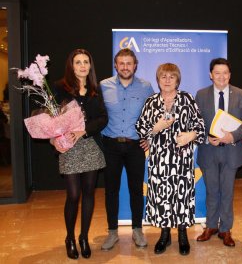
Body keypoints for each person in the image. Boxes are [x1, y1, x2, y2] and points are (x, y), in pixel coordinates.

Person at [136, 63, 205, 255]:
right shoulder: (151, 101)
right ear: (158, 80)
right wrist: (155, 128)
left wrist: (191, 135)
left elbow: (200, 126)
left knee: (181, 196)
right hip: (159, 160)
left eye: (171, 77)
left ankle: (182, 234)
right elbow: (140, 127)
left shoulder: (187, 99)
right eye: (163, 76)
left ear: (177, 80)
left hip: (182, 160)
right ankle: (164, 234)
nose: (167, 80)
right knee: (161, 197)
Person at [51, 49, 108, 259]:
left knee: (89, 194)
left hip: (90, 144)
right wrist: (54, 137)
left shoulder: (96, 89)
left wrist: (84, 129)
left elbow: (103, 118)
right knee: (74, 195)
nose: (83, 66)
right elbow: (51, 116)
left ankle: (84, 237)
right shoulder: (59, 88)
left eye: (86, 62)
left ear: (90, 66)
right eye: (78, 62)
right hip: (69, 147)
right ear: (71, 66)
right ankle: (70, 237)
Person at [100, 48, 154, 251]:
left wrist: (149, 137)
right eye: (121, 63)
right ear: (116, 65)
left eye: (128, 63)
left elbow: (152, 115)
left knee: (135, 190)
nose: (125, 67)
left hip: (135, 146)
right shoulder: (103, 86)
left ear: (135, 65)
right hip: (110, 145)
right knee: (111, 191)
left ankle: (137, 230)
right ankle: (112, 232)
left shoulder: (146, 87)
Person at [195, 58, 242, 247]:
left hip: (231, 151)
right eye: (217, 73)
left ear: (230, 75)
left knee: (227, 192)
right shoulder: (201, 94)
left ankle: (225, 229)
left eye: (225, 73)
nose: (221, 77)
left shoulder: (241, 95)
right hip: (208, 150)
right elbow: (196, 123)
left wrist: (232, 137)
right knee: (212, 191)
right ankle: (211, 226)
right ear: (211, 75)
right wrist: (205, 137)